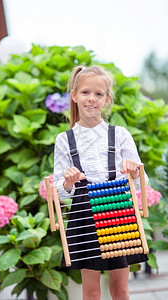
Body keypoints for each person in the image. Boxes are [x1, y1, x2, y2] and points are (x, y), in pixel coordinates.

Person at [53, 65, 149, 300]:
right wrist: (67, 183)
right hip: (84, 214)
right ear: (74, 96)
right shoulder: (64, 140)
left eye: (99, 94)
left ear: (107, 99)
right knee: (91, 291)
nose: (91, 99)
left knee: (120, 289)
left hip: (117, 211)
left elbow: (142, 182)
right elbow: (60, 193)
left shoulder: (120, 134)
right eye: (85, 92)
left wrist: (134, 172)